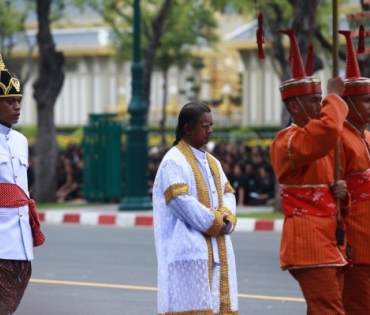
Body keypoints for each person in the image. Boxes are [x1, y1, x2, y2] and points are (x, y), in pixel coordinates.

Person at [269, 30, 349, 315]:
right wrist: (335, 98)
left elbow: (324, 190)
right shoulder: (287, 141)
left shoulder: (315, 142)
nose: (320, 105)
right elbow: (327, 131)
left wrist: (340, 193)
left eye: (320, 99)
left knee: (325, 309)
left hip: (328, 239)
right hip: (308, 242)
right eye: (314, 101)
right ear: (294, 106)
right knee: (330, 310)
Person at [153, 102, 238, 315]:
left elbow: (227, 193)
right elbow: (181, 202)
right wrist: (217, 222)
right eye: (204, 126)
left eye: (211, 125)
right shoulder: (173, 160)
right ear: (188, 129)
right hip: (189, 252)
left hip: (219, 248)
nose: (210, 131)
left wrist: (227, 217)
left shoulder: (213, 162)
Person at [0, 55, 45, 315]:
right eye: (9, 101)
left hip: (21, 245)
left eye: (19, 101)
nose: (17, 107)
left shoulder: (20, 141)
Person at [337, 30, 370, 315]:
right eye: (366, 101)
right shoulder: (338, 140)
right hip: (355, 241)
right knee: (357, 306)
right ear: (348, 105)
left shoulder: (368, 136)